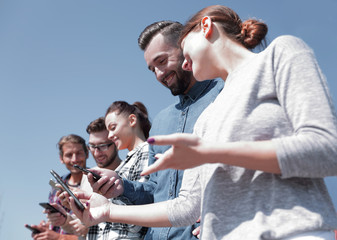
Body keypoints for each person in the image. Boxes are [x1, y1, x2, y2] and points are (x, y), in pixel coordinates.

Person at [68, 5, 337, 240]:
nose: (182, 66)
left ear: (205, 26)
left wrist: (210, 153)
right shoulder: (207, 116)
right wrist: (107, 211)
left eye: (177, 54)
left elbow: (328, 149)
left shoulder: (280, 53)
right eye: (152, 69)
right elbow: (187, 206)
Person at [86, 21, 224, 240]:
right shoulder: (161, 121)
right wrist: (121, 186)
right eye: (152, 69)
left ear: (185, 47)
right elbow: (155, 191)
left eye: (162, 61)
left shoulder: (224, 94)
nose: (159, 74)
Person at [31, 134, 89, 240]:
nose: (74, 159)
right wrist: (48, 227)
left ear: (87, 154)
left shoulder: (95, 183)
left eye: (79, 153)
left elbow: (95, 230)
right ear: (61, 158)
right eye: (69, 155)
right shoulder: (56, 185)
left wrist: (59, 237)